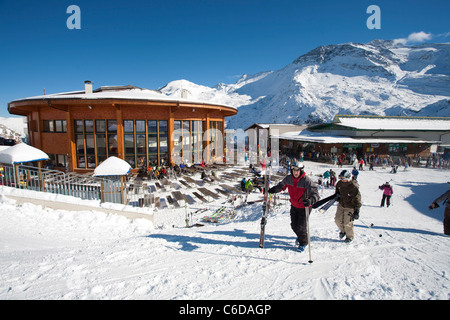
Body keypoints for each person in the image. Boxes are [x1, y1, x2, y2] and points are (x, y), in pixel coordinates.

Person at [268, 162, 319, 252]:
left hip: (304, 207)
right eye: (294, 170)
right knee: (294, 226)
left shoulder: (306, 180)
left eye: (297, 170)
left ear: (301, 171)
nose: (295, 172)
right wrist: (274, 189)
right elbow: (281, 186)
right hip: (294, 205)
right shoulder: (289, 179)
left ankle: (303, 242)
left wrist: (310, 200)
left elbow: (315, 194)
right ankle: (300, 236)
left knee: (301, 226)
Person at [334, 170, 361, 243]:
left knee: (347, 223)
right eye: (341, 178)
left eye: (343, 178)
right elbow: (337, 192)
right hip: (341, 204)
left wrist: (357, 210)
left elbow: (357, 198)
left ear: (348, 178)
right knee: (337, 220)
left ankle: (349, 236)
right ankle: (343, 231)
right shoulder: (339, 184)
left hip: (350, 206)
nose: (342, 180)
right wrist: (337, 197)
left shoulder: (353, 186)